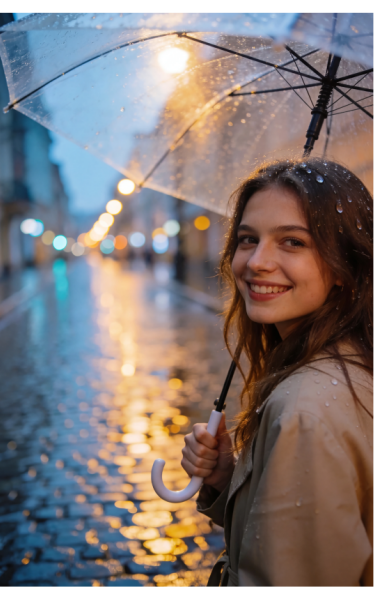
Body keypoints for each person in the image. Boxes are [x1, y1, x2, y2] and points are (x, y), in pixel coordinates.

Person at [180, 157, 373, 586]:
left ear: (346, 266)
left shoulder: (305, 410)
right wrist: (229, 477)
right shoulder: (352, 365)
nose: (257, 262)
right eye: (248, 239)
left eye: (293, 242)